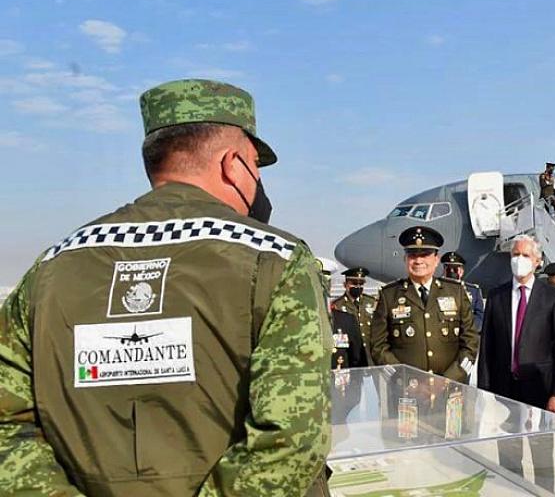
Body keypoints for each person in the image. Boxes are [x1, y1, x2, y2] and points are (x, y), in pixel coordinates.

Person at [0, 79, 332, 495]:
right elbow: (292, 435)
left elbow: (6, 424)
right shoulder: (276, 261)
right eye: (254, 165)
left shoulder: (52, 268)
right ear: (233, 165)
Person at [477, 235, 555, 492]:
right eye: (514, 255)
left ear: (538, 261)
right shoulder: (496, 296)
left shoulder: (552, 296)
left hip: (540, 391)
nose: (518, 260)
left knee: (541, 457)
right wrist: (485, 390)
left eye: (525, 255)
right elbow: (488, 346)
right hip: (504, 390)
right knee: (508, 454)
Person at [371, 226, 479, 384]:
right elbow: (378, 347)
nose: (418, 260)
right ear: (405, 259)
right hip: (406, 391)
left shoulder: (456, 293)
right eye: (412, 255)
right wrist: (405, 379)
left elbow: (471, 342)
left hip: (450, 390)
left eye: (425, 254)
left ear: (436, 260)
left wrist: (448, 379)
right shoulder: (389, 296)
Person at [330, 266, 375, 368]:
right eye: (354, 284)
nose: (358, 287)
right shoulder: (337, 305)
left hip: (371, 359)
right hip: (350, 360)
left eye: (361, 284)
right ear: (345, 285)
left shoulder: (372, 303)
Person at [441, 251, 485, 333]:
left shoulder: (473, 290)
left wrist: (468, 329)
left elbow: (480, 317)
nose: (452, 272)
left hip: (467, 334)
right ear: (444, 270)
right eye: (449, 268)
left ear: (461, 271)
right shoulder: (435, 289)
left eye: (455, 269)